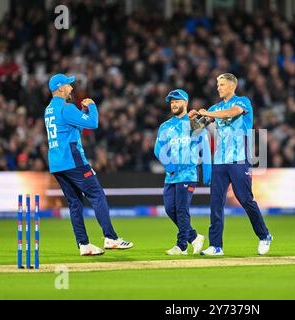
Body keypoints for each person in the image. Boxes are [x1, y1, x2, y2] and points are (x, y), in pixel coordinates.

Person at [44, 74, 133, 256]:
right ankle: (111, 238)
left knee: (75, 203)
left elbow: (71, 127)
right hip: (73, 160)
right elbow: (93, 123)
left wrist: (81, 114)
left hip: (57, 163)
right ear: (60, 88)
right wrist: (91, 106)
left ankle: (83, 244)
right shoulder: (66, 108)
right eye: (69, 85)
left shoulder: (49, 110)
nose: (71, 88)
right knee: (97, 194)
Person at [192, 73, 272, 256]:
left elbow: (231, 113)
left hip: (239, 160)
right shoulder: (216, 107)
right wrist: (192, 118)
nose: (218, 87)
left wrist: (208, 113)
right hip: (219, 162)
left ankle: (264, 235)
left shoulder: (243, 102)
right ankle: (216, 245)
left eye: (221, 84)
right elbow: (198, 128)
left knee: (245, 199)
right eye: (217, 84)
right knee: (216, 203)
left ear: (232, 86)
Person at [154, 89, 211, 255]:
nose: (174, 104)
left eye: (177, 101)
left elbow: (205, 149)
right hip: (171, 176)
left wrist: (208, 173)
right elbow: (158, 149)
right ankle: (194, 237)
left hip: (188, 173)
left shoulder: (196, 124)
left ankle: (181, 246)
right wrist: (169, 166)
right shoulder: (165, 126)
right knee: (169, 209)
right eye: (171, 101)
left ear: (185, 103)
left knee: (181, 210)